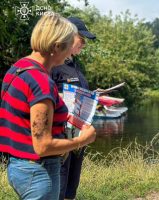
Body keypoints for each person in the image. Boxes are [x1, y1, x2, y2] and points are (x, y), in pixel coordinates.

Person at [0, 12, 96, 200]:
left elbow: (24, 117)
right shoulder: (41, 82)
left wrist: (63, 115)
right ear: (57, 45)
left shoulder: (18, 68)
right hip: (38, 172)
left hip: (17, 166)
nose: (70, 53)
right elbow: (42, 146)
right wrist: (82, 140)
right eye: (69, 45)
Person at [50, 17, 96, 200]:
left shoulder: (75, 66)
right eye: (81, 39)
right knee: (58, 188)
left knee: (71, 189)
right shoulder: (53, 64)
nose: (83, 45)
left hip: (78, 134)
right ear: (68, 35)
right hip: (61, 136)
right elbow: (44, 97)